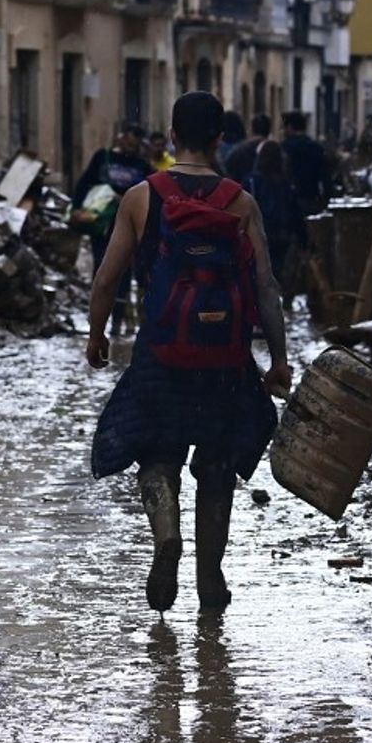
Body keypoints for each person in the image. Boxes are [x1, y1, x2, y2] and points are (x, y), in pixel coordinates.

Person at [88, 92, 292, 615]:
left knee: (156, 454)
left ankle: (166, 537)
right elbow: (265, 286)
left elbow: (106, 280)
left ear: (172, 135)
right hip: (224, 357)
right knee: (218, 463)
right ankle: (210, 575)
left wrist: (97, 335)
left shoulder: (141, 196)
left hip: (160, 353)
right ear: (220, 139)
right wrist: (279, 359)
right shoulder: (240, 201)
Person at [74, 125, 152, 333]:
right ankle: (96, 320)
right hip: (101, 223)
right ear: (121, 138)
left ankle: (117, 322)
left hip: (127, 225)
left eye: (135, 139)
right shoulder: (103, 158)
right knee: (101, 267)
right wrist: (75, 208)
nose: (130, 143)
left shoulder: (142, 165)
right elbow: (84, 183)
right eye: (128, 138)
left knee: (124, 271)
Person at [246, 139, 307, 289]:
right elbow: (295, 213)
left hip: (258, 235)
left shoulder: (252, 181)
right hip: (281, 237)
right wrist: (303, 240)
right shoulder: (285, 183)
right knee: (276, 272)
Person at [280, 110, 331, 215]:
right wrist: (326, 200)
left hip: (289, 202)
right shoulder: (316, 148)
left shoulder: (283, 148)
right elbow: (325, 176)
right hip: (312, 198)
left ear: (289, 127)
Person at [224, 113, 271, 183]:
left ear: (252, 129)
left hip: (243, 190)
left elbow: (228, 172)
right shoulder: (275, 150)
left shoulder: (239, 150)